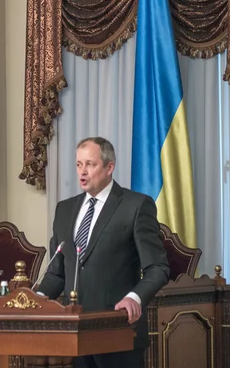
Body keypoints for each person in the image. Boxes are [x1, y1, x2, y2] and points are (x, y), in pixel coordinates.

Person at [37, 137, 170, 368]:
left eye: (90, 164)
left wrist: (134, 297)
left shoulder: (136, 205)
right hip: (75, 331)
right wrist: (35, 301)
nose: (83, 172)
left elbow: (157, 268)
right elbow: (57, 273)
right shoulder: (65, 210)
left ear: (110, 167)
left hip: (117, 328)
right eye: (79, 164)